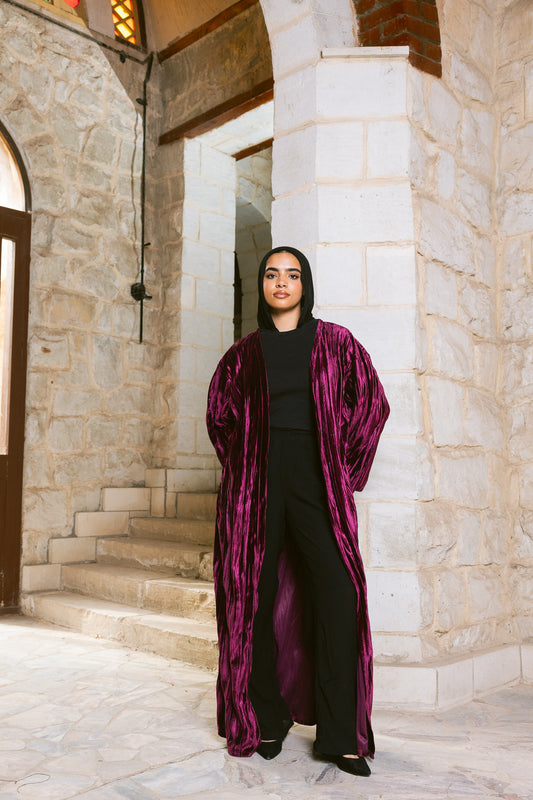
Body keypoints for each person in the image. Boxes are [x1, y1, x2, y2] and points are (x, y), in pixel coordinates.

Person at [206, 246, 389, 777]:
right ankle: (267, 718)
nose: (281, 282)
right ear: (263, 285)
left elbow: (372, 404)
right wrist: (245, 466)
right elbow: (219, 417)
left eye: (291, 274)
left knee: (338, 592)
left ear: (305, 284)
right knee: (254, 597)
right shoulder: (242, 354)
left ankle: (340, 734)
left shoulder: (335, 342)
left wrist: (342, 471)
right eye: (271, 274)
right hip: (255, 482)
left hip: (316, 476)